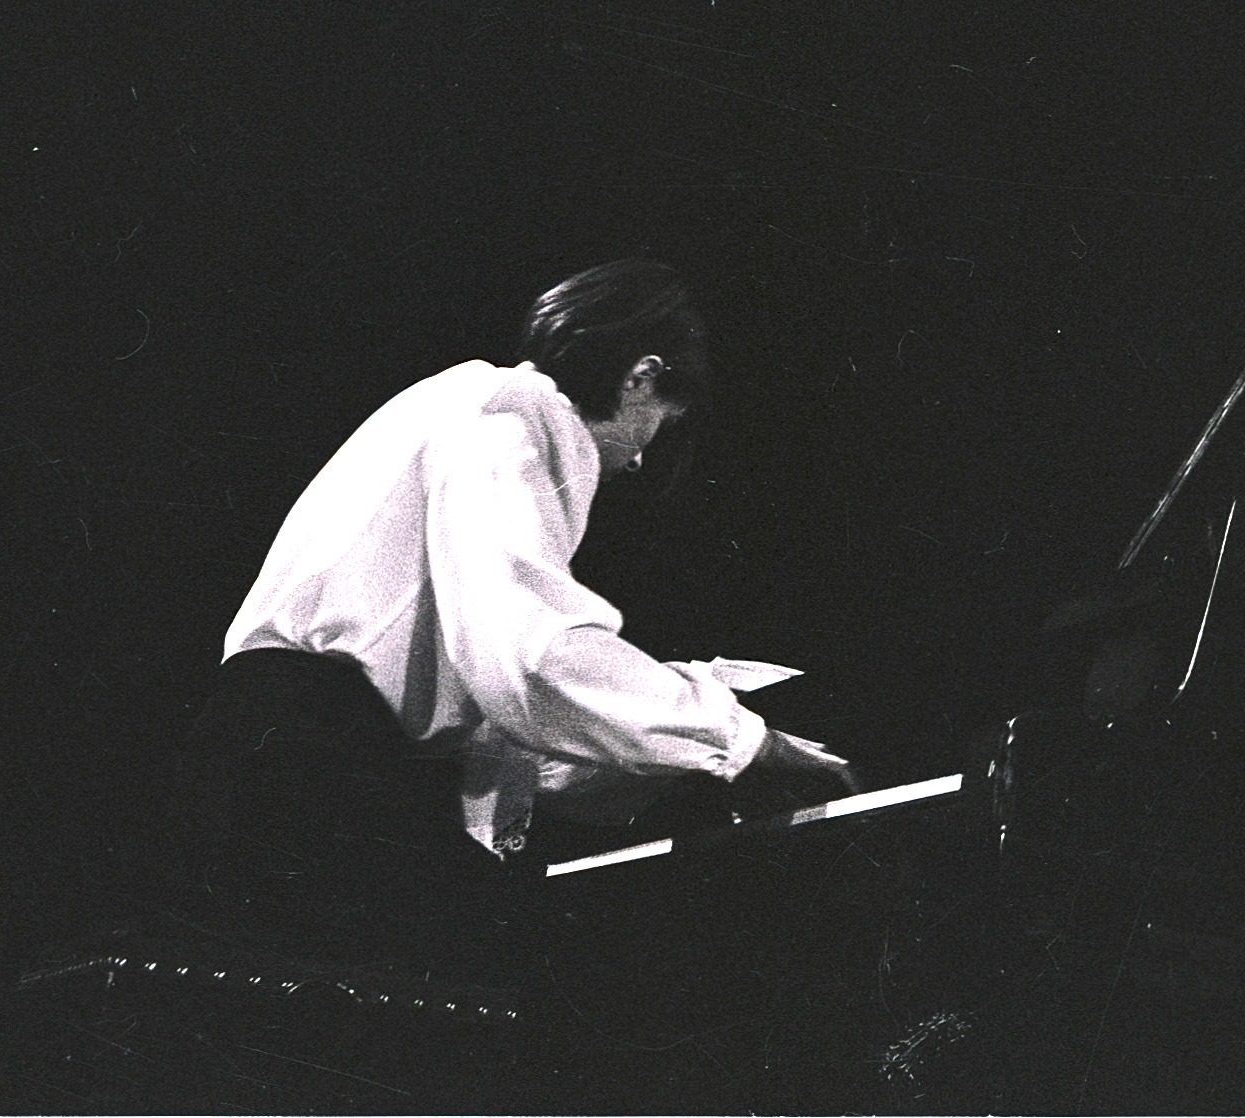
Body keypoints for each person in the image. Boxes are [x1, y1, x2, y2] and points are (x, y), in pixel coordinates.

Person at [165, 260, 853, 956]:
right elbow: (531, 652)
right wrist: (739, 740)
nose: (643, 460)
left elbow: (500, 707)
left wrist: (672, 751)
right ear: (639, 376)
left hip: (268, 752)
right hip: (312, 765)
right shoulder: (519, 412)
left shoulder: (456, 405)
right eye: (659, 424)